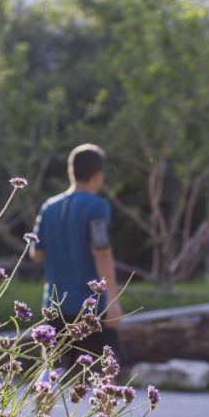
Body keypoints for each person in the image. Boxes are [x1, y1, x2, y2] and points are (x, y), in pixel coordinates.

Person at [29, 143, 122, 367]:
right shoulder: (97, 207)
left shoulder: (49, 207)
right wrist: (112, 301)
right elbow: (101, 252)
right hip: (91, 308)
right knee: (104, 374)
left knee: (50, 373)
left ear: (71, 172)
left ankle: (42, 405)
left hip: (55, 305)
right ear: (98, 175)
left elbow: (36, 253)